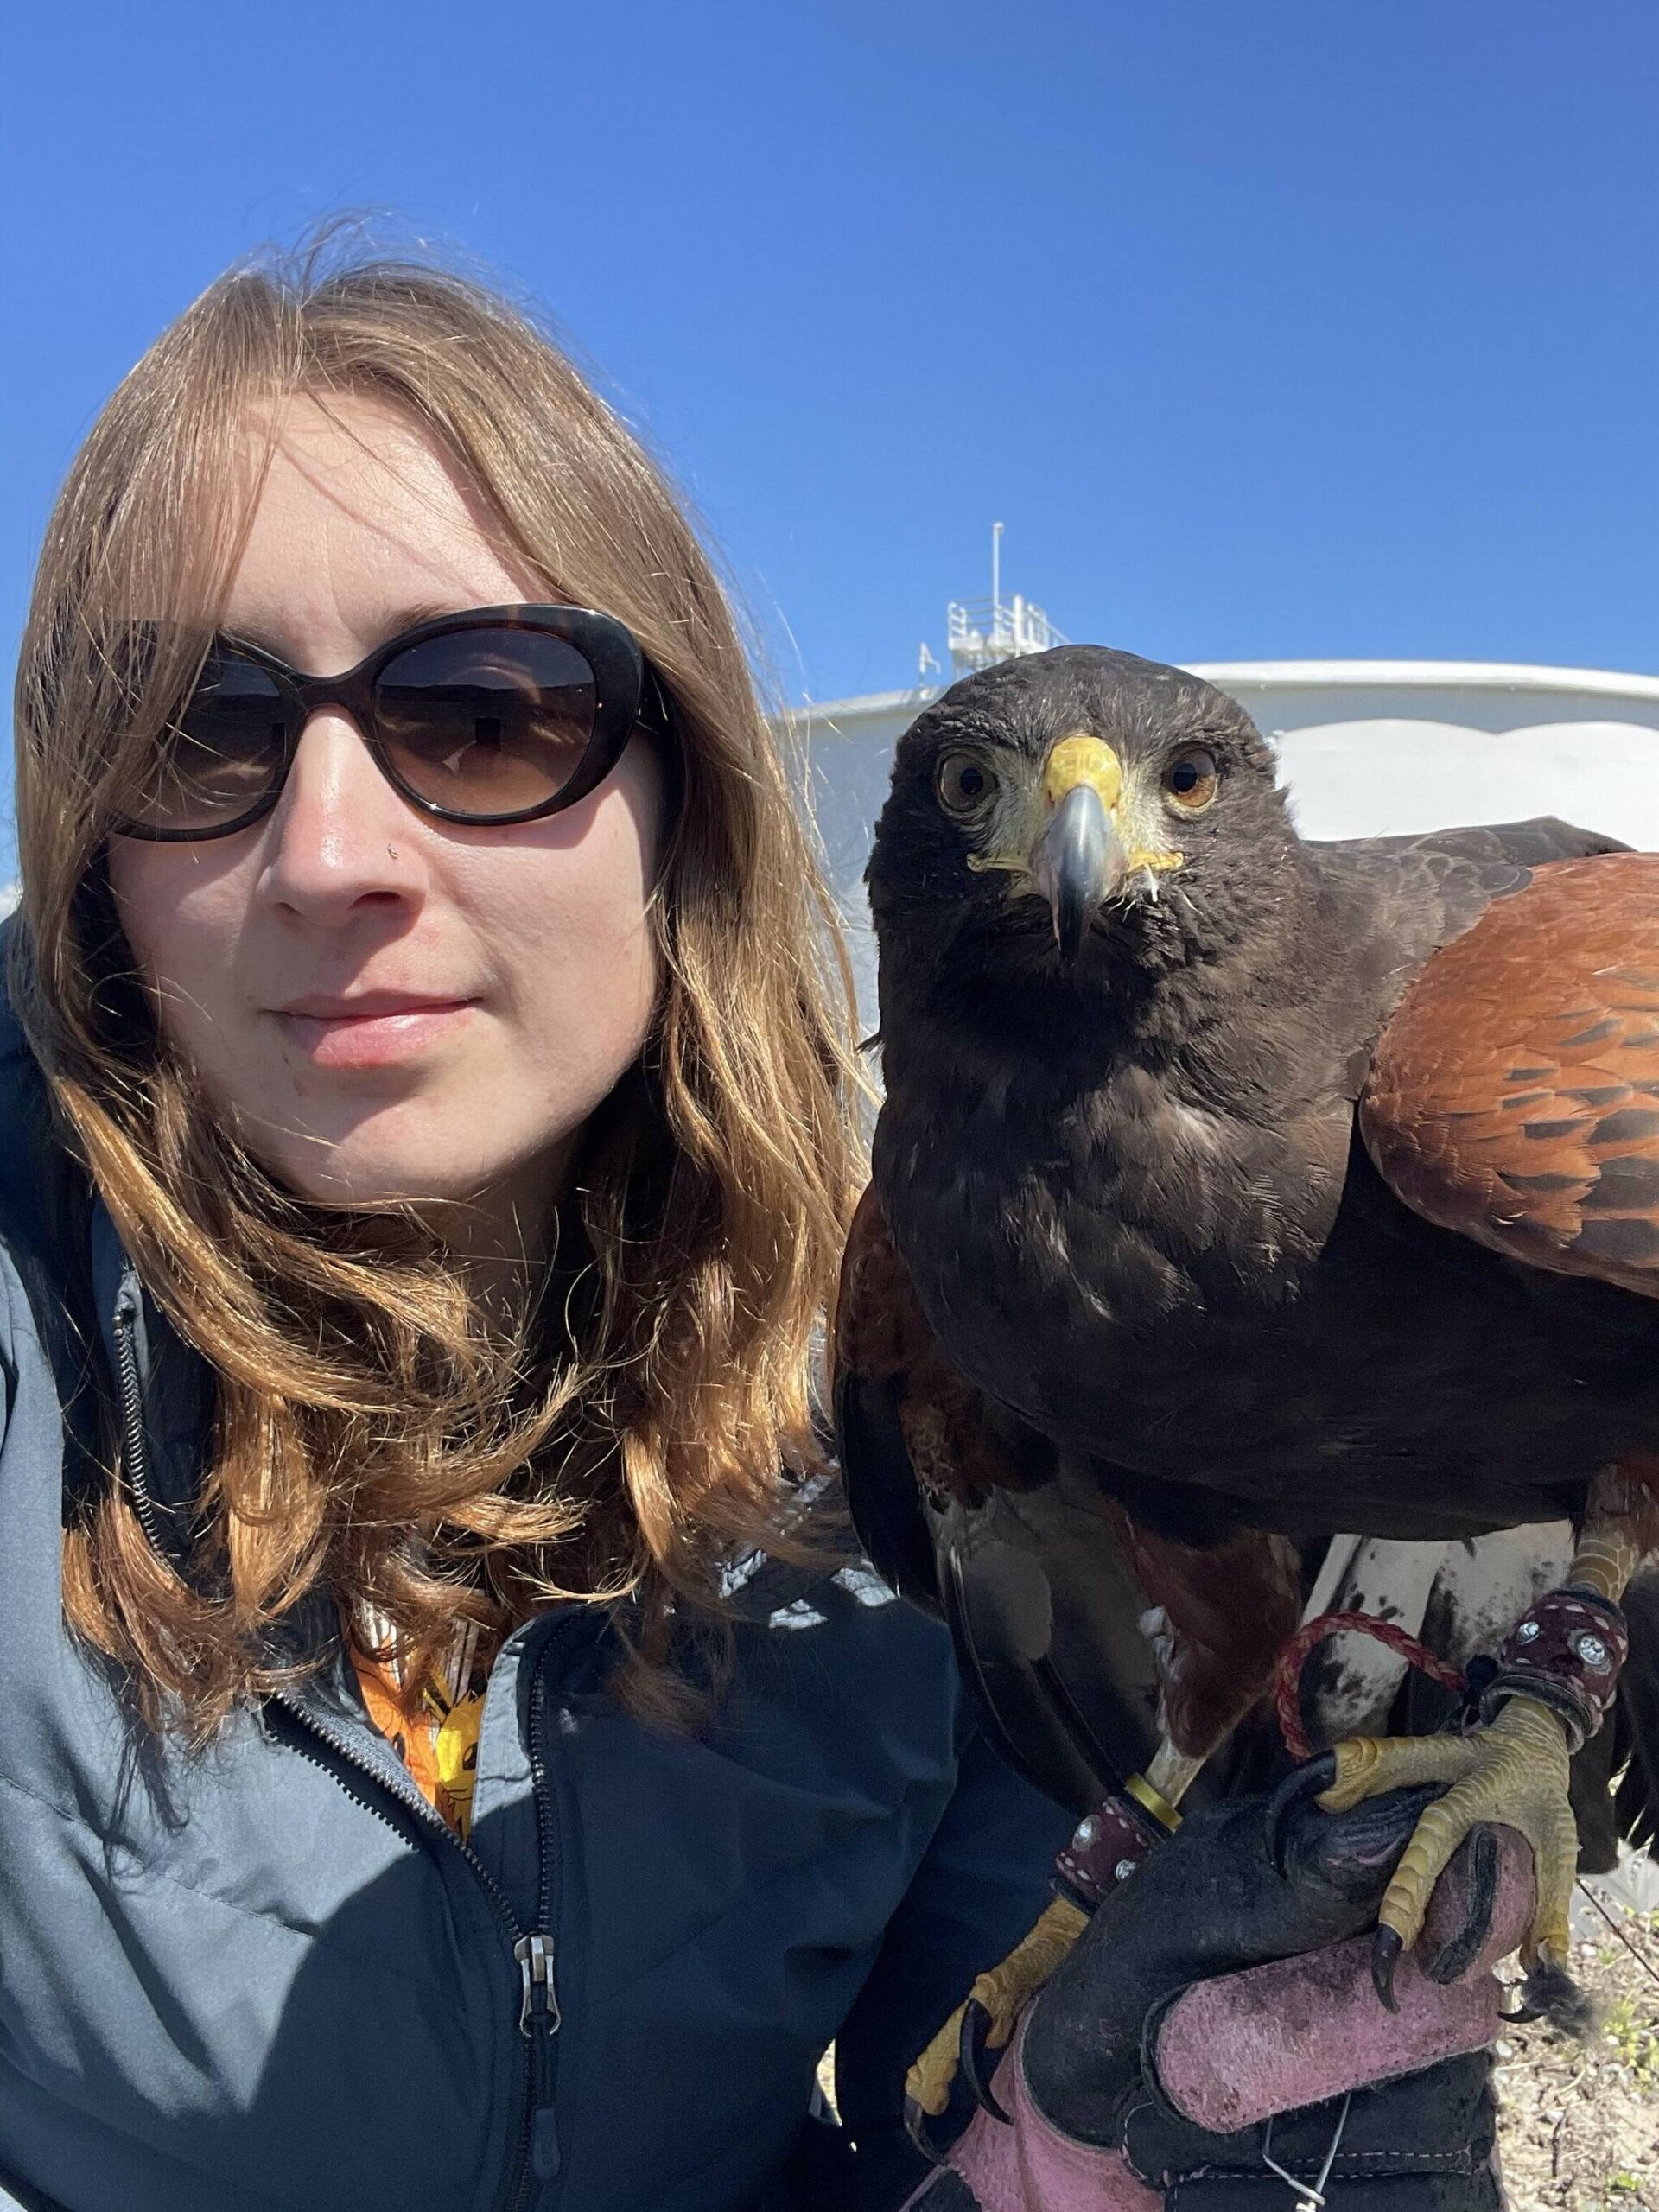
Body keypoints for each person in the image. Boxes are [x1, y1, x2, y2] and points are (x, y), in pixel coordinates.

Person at [0, 237, 1516, 2212]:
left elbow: (909, 2135)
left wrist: (1058, 2172)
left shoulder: (924, 1375)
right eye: (200, 728)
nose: (331, 853)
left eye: (481, 711)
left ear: (686, 789)